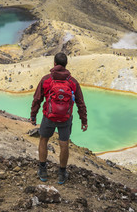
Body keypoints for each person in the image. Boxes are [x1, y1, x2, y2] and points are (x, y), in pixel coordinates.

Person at [30, 52, 87, 184]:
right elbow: (80, 102)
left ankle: (43, 170)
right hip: (66, 119)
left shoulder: (46, 79)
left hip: (48, 117)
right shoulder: (72, 82)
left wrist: (33, 115)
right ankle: (62, 173)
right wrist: (84, 120)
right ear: (66, 64)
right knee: (64, 144)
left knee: (43, 140)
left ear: (54, 64)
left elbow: (37, 99)